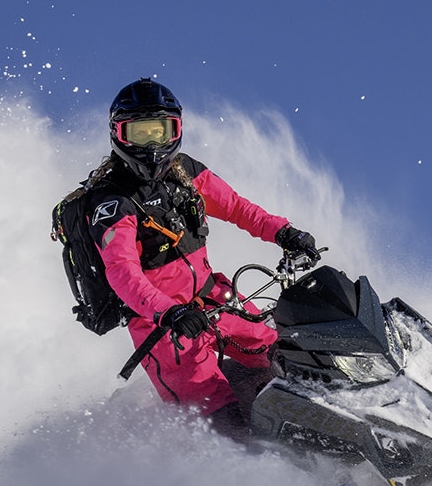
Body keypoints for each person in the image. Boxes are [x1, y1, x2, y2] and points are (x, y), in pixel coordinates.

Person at [83, 78, 320, 430]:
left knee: (286, 354)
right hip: (164, 327)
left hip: (214, 299)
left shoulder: (185, 172)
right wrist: (169, 312)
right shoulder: (111, 201)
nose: (151, 145)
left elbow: (238, 208)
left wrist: (283, 233)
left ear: (176, 130)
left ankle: (329, 436)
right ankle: (254, 474)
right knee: (221, 419)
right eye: (138, 134)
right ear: (118, 135)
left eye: (160, 132)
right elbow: (123, 272)